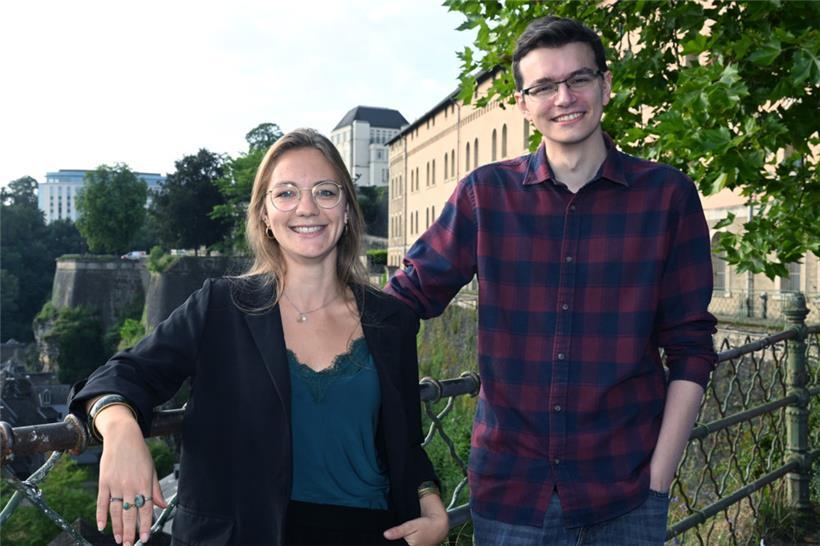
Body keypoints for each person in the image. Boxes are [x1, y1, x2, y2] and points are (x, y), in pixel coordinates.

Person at [385, 16, 717, 546]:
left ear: (605, 85)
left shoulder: (667, 196)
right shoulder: (484, 195)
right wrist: (298, 309)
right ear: (522, 103)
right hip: (512, 494)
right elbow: (405, 299)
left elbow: (691, 344)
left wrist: (660, 477)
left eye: (578, 79)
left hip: (627, 492)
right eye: (543, 86)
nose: (564, 97)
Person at [69, 128, 449, 546]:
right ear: (265, 214)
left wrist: (431, 504)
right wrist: (122, 431)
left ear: (347, 210)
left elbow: (406, 443)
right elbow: (122, 375)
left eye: (325, 192)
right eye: (285, 193)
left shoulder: (391, 321)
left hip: (370, 533)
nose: (306, 207)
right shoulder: (220, 307)